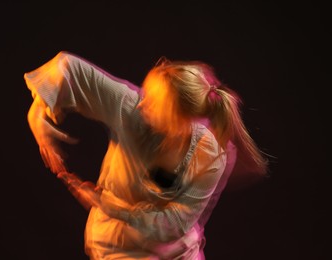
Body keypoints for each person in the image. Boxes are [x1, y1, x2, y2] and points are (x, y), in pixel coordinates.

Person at [24, 51, 269, 259]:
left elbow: (174, 223)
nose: (142, 104)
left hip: (176, 253)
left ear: (179, 123)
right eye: (146, 95)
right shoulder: (130, 109)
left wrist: (108, 205)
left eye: (154, 104)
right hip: (118, 248)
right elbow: (68, 67)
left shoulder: (211, 156)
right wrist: (36, 115)